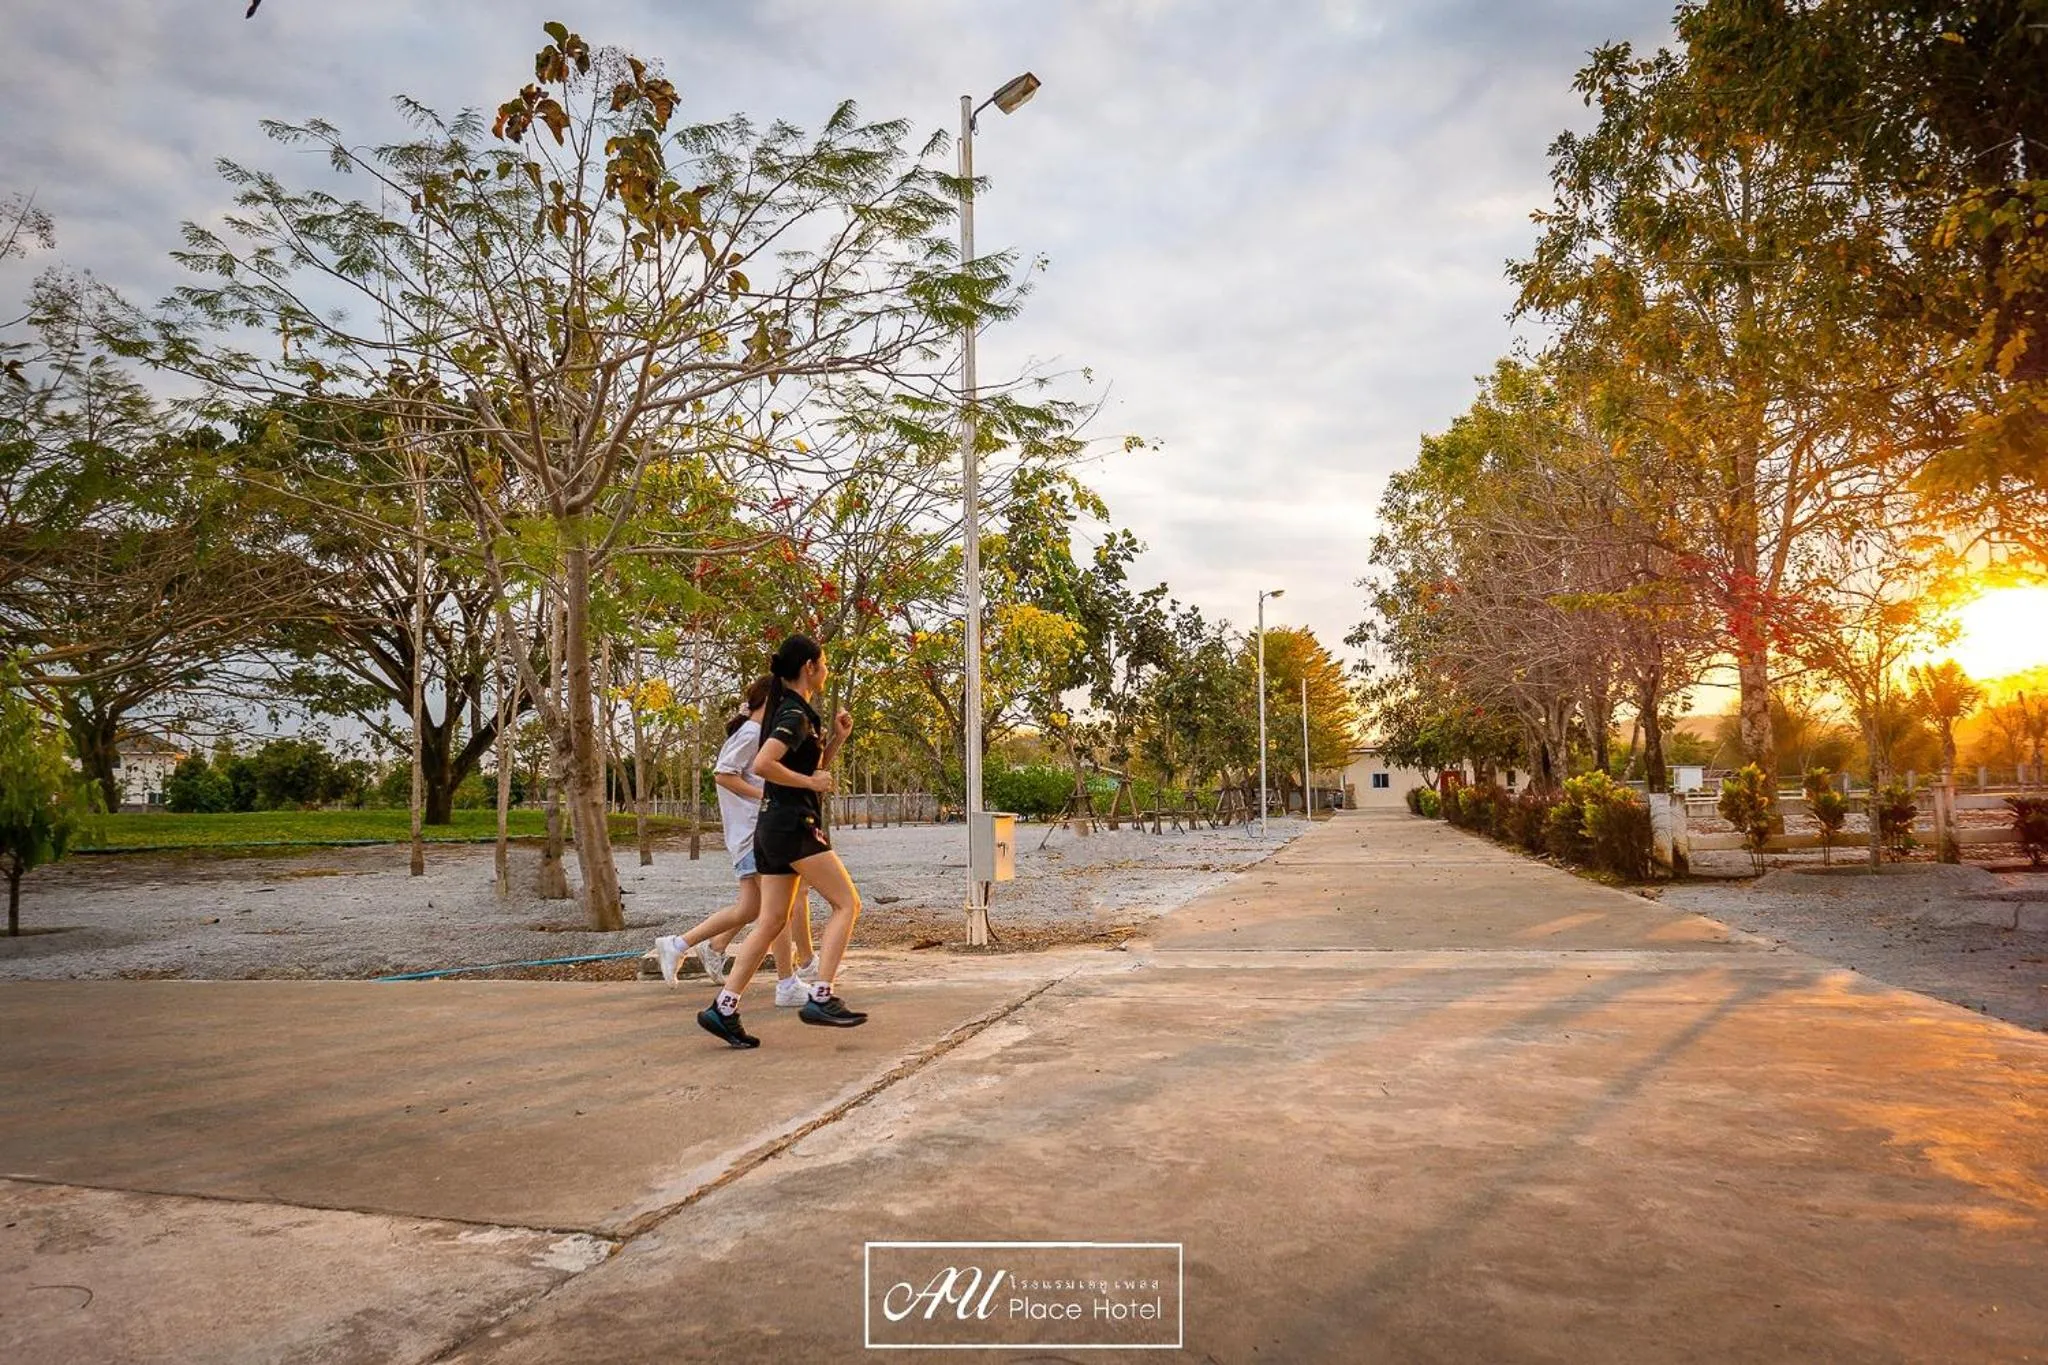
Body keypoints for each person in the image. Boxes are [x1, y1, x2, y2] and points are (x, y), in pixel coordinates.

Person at [698, 634, 866, 1047]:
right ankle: (822, 995)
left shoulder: (787, 712)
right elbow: (764, 764)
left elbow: (804, 764)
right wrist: (810, 781)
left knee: (772, 919)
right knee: (848, 903)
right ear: (809, 666)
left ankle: (723, 1007)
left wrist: (836, 741)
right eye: (823, 662)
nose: (826, 670)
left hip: (771, 827)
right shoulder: (793, 713)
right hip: (793, 825)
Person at [652, 676, 817, 1007]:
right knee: (776, 911)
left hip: (750, 834)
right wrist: (767, 795)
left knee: (751, 908)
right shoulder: (752, 734)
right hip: (754, 834)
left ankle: (680, 945)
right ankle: (787, 983)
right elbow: (723, 774)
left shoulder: (754, 734)